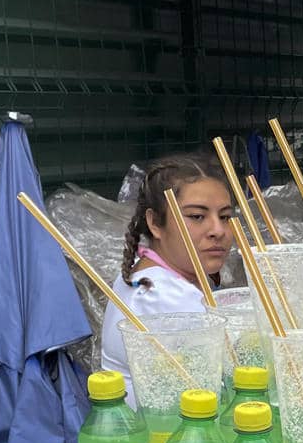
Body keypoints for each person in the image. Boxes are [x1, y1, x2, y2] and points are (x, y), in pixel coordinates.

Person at [98, 153, 237, 390]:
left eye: (224, 217)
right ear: (154, 223)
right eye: (197, 216)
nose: (218, 230)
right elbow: (243, 370)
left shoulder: (146, 275)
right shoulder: (161, 295)